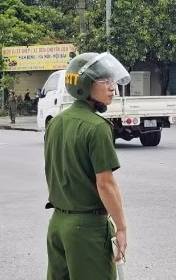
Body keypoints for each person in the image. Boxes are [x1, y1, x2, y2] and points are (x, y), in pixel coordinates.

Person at [45, 52, 131, 280]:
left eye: (112, 81)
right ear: (83, 85)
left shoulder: (56, 123)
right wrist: (121, 228)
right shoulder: (97, 127)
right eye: (104, 81)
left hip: (57, 225)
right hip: (87, 229)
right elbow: (106, 184)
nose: (112, 87)